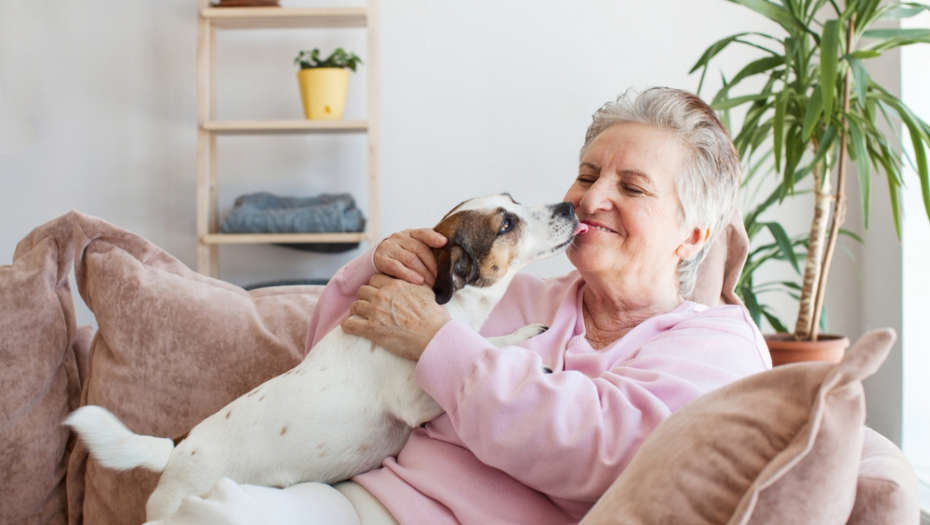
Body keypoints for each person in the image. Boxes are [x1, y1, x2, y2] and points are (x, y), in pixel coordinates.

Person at [153, 87, 771, 525]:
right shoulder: (511, 293)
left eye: (631, 187)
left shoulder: (714, 347)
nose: (590, 199)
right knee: (211, 515)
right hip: (354, 502)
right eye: (586, 176)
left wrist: (434, 344)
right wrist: (382, 267)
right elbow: (334, 373)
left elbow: (601, 450)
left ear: (693, 235)